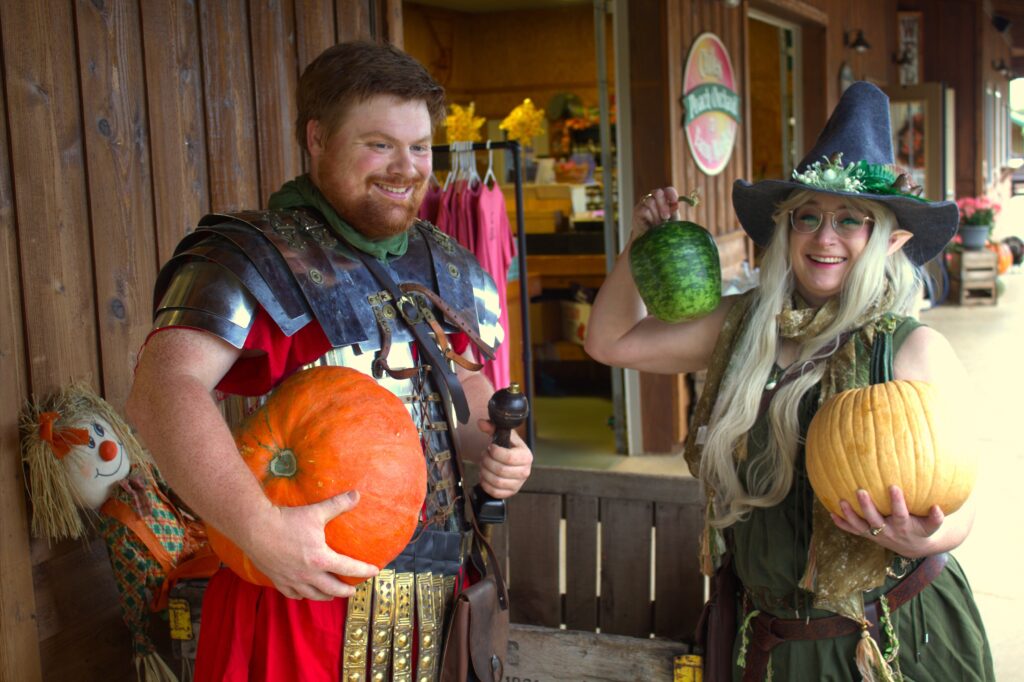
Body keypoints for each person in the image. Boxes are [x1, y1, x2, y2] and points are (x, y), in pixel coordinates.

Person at [126, 41, 533, 682]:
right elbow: (162, 388)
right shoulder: (255, 255)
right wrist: (259, 529)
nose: (406, 168)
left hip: (436, 590)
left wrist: (490, 439)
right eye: (379, 144)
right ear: (317, 139)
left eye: (420, 147)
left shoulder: (442, 262)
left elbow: (453, 384)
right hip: (304, 595)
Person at [585, 82, 993, 681]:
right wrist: (640, 248)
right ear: (785, 230)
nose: (825, 238)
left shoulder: (911, 350)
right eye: (809, 217)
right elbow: (609, 341)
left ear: (890, 241)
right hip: (772, 646)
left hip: (892, 641)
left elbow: (963, 502)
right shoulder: (742, 326)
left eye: (850, 221)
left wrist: (921, 537)